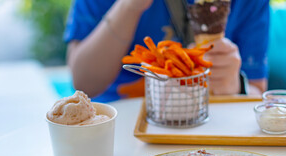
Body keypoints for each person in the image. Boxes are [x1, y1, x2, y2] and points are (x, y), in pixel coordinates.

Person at [64, 0, 269, 102]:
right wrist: (128, 6)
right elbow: (83, 83)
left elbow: (257, 90)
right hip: (118, 129)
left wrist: (236, 86)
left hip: (209, 126)